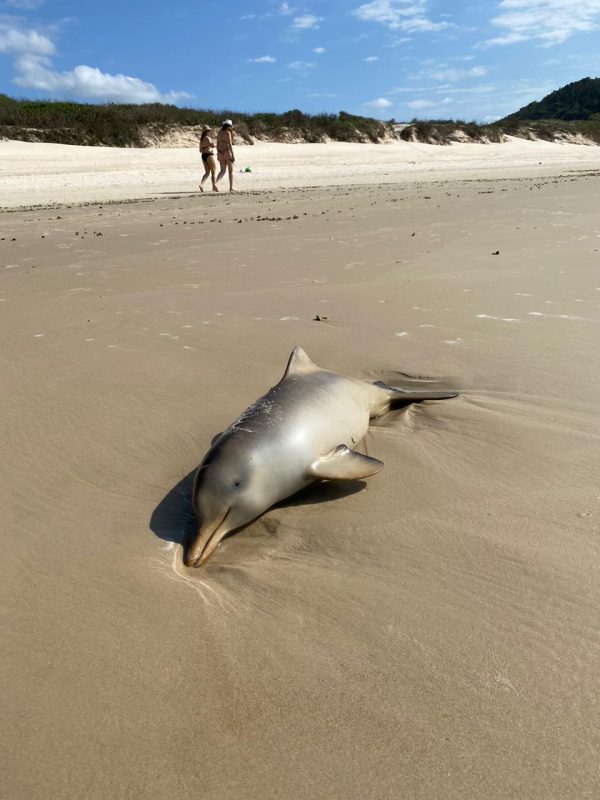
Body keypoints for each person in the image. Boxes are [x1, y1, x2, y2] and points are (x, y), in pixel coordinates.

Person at [216, 119, 235, 192]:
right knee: (231, 171)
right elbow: (229, 144)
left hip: (220, 152)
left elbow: (217, 144)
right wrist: (233, 155)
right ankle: (231, 187)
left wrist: (218, 154)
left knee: (222, 170)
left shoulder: (219, 133)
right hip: (227, 152)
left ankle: (216, 184)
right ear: (229, 126)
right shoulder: (228, 133)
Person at [199, 126, 218, 192]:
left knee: (207, 172)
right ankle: (214, 186)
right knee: (213, 171)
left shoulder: (201, 139)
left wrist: (205, 148)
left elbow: (200, 150)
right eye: (209, 131)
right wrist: (216, 144)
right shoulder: (207, 138)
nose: (210, 132)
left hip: (203, 155)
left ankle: (201, 184)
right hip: (209, 155)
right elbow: (212, 145)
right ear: (206, 131)